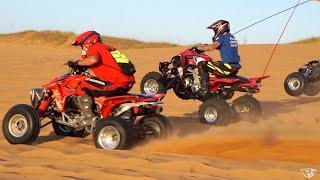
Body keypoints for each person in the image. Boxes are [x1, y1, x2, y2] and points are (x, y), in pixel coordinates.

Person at [69, 31, 136, 126]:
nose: (82, 48)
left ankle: (89, 118)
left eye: (82, 45)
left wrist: (77, 63)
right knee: (93, 82)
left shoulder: (94, 47)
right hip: (126, 82)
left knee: (82, 85)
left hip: (116, 82)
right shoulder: (108, 48)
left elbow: (93, 59)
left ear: (88, 42)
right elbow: (105, 68)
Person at [195, 20, 241, 98]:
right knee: (215, 63)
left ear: (220, 28)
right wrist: (205, 45)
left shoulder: (222, 37)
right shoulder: (232, 38)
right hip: (234, 67)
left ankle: (204, 89)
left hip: (228, 67)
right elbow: (219, 46)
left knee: (202, 64)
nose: (214, 32)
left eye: (214, 29)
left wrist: (198, 48)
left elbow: (211, 47)